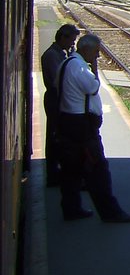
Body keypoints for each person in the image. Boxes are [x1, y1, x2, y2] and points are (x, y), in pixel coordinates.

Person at [56, 34, 130, 223]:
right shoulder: (78, 67)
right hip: (81, 127)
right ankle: (110, 213)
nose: (98, 56)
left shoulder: (66, 64)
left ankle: (71, 209)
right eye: (96, 52)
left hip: (68, 122)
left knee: (71, 170)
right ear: (86, 50)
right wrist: (94, 68)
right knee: (97, 169)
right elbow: (93, 87)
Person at [40, 24, 79, 187]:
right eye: (71, 40)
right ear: (63, 37)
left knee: (59, 136)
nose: (72, 44)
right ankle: (53, 174)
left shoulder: (59, 53)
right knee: (55, 136)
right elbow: (59, 80)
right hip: (54, 99)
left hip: (58, 98)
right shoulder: (51, 55)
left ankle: (57, 172)